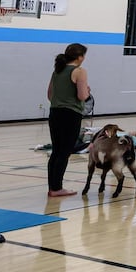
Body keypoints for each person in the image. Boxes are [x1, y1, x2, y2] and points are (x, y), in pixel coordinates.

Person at [45, 43, 90, 197]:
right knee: (64, 152)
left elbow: (50, 95)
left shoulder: (57, 70)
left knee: (56, 151)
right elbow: (82, 96)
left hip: (55, 113)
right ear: (79, 57)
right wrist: (87, 91)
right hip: (71, 115)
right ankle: (57, 188)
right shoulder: (79, 71)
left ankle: (53, 187)